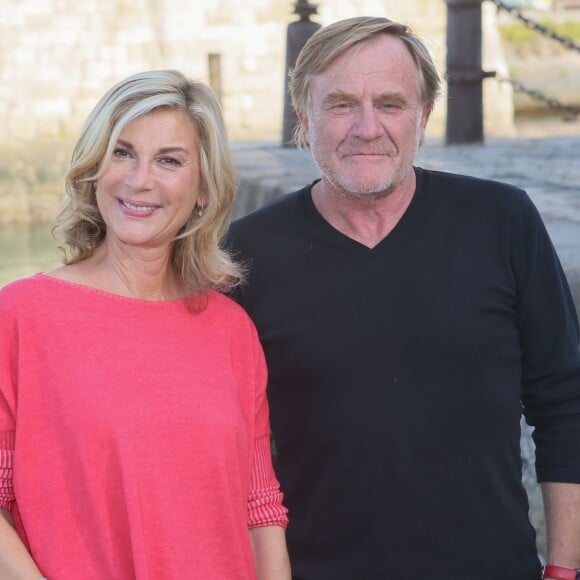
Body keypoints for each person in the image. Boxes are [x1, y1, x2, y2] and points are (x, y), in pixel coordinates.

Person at [226, 16, 580, 580]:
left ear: (423, 117)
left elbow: (565, 404)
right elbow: (223, 448)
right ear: (303, 118)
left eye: (390, 103)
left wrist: (564, 566)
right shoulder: (246, 254)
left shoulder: (503, 221)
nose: (367, 128)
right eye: (341, 104)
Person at [0, 69, 291, 580]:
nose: (140, 180)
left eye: (170, 160)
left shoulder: (232, 330)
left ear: (203, 189)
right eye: (122, 152)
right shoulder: (20, 315)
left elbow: (260, 509)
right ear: (95, 168)